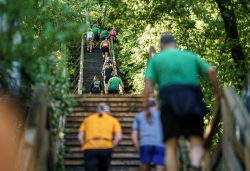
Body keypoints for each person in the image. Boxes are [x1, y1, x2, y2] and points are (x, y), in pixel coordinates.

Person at [144, 33, 221, 171]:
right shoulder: (190, 56)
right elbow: (211, 71)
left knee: (170, 147)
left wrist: (145, 108)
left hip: (168, 101)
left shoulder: (156, 60)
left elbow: (148, 83)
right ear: (175, 44)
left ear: (161, 46)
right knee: (196, 141)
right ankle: (196, 165)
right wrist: (218, 93)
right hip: (192, 99)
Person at [78, 103, 123, 171]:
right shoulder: (113, 120)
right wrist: (112, 146)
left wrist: (84, 145)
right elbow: (119, 137)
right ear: (108, 111)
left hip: (90, 147)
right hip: (106, 147)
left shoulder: (88, 119)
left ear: (97, 110)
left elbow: (80, 136)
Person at [131, 98, 165, 171]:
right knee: (160, 166)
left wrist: (137, 147)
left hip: (145, 143)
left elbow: (134, 135)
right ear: (157, 105)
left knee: (145, 166)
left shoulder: (139, 115)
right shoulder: (162, 115)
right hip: (160, 144)